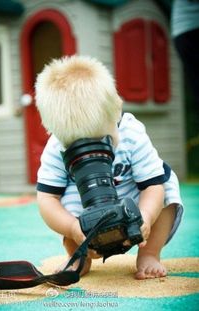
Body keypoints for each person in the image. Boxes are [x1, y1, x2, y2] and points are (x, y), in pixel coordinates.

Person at [35, 55, 183, 280]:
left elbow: (152, 187)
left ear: (116, 110)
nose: (92, 154)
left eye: (101, 142)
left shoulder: (131, 133)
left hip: (129, 196)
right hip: (85, 207)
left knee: (166, 183)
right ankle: (80, 257)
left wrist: (145, 215)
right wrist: (73, 228)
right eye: (79, 148)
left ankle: (149, 253)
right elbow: (47, 200)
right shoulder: (57, 146)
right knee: (64, 202)